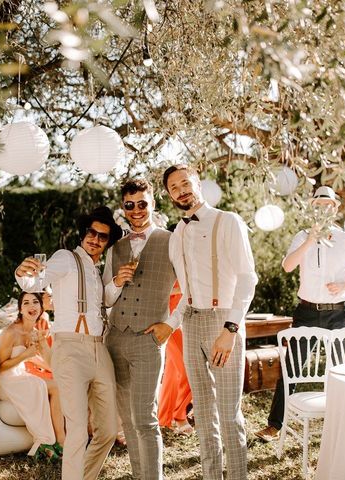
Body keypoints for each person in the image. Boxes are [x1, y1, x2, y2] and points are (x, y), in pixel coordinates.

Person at [163, 163, 258, 480]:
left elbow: (247, 279)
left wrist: (231, 329)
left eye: (185, 183)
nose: (180, 190)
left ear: (197, 183)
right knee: (202, 413)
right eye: (173, 188)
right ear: (170, 195)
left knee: (228, 414)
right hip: (191, 324)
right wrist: (170, 324)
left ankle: (239, 476)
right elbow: (186, 291)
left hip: (223, 322)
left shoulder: (228, 222)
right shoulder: (176, 234)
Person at [254, 185, 345, 442]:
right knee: (291, 367)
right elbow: (287, 266)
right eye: (318, 204)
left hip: (338, 314)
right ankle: (275, 425)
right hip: (306, 312)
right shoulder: (302, 236)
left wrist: (344, 285)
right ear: (312, 207)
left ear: (335, 208)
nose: (323, 208)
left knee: (344, 369)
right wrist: (310, 239)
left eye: (328, 204)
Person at [15, 206, 123, 480]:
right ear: (84, 232)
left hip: (100, 350)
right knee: (76, 430)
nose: (96, 239)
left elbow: (104, 302)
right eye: (92, 232)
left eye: (103, 236)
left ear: (107, 242)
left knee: (109, 430)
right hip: (71, 349)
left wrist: (118, 283)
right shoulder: (65, 258)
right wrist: (23, 274)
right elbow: (37, 280)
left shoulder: (96, 270)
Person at [102, 178, 176, 480]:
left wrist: (170, 326)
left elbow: (193, 291)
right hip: (116, 338)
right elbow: (105, 298)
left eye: (142, 204)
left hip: (148, 341)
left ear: (153, 204)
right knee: (128, 420)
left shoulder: (172, 241)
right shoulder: (115, 247)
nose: (136, 210)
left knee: (145, 418)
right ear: (123, 207)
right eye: (129, 205)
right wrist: (117, 282)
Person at [0, 291, 65, 458]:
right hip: (4, 381)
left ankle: (60, 440)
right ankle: (60, 441)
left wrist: (42, 343)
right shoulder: (11, 332)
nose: (31, 306)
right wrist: (25, 355)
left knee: (57, 384)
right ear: (20, 309)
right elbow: (0, 366)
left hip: (19, 375)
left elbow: (48, 362)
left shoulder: (34, 331)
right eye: (26, 303)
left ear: (41, 308)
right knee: (55, 388)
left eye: (35, 302)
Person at [158, 281, 194, 435]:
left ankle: (164, 417)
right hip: (167, 315)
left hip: (184, 311)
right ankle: (179, 414)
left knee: (173, 370)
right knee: (189, 366)